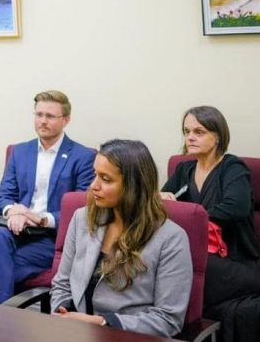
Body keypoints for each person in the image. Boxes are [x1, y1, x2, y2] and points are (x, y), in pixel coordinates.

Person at [51, 139, 192, 337]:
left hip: (128, 337)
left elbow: (168, 319)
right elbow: (62, 283)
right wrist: (62, 312)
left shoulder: (171, 239)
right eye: (95, 175)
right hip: (77, 334)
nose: (94, 186)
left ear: (133, 186)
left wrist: (102, 323)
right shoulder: (81, 218)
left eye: (106, 179)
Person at [0, 90, 95, 303]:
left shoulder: (83, 157)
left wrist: (42, 218)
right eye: (38, 115)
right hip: (17, 230)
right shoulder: (20, 152)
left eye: (50, 116)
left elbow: (82, 209)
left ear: (66, 120)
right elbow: (3, 197)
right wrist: (13, 211)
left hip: (53, 239)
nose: (43, 121)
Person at [161, 106, 260, 341]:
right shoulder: (183, 169)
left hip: (234, 261)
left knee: (181, 273)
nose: (190, 137)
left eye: (199, 131)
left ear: (217, 136)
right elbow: (163, 208)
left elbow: (235, 207)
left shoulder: (232, 167)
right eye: (186, 131)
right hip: (194, 256)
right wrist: (161, 199)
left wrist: (189, 215)